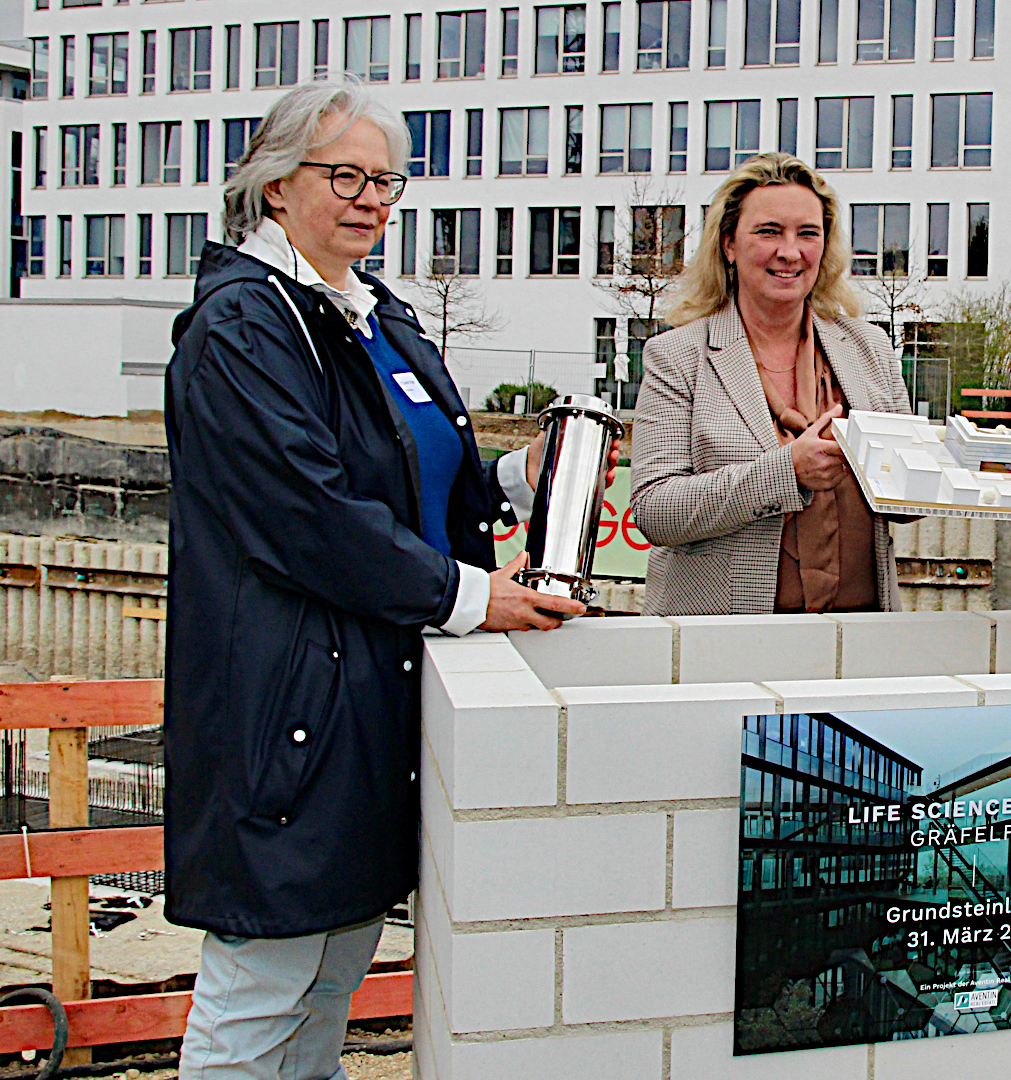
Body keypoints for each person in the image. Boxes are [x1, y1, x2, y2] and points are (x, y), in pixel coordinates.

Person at [165, 81, 614, 1079]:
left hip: (368, 699)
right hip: (288, 710)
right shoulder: (243, 326)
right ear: (275, 186)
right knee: (259, 992)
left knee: (329, 979)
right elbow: (308, 515)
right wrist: (475, 598)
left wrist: (518, 480)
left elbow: (415, 481)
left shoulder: (372, 315)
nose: (371, 200)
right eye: (346, 177)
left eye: (386, 181)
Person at [630, 153, 914, 615]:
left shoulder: (870, 348)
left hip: (865, 641)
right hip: (725, 646)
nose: (790, 251)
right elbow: (655, 509)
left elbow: (906, 500)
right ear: (728, 244)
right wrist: (786, 473)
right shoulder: (678, 356)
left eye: (807, 233)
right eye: (769, 232)